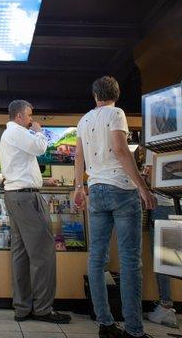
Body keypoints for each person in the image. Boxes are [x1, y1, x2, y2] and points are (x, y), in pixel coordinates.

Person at [74, 76, 156, 338]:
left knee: (97, 260)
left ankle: (106, 324)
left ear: (94, 95)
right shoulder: (117, 113)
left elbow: (78, 156)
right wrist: (143, 187)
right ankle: (134, 330)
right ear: (116, 95)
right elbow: (121, 150)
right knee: (130, 260)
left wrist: (78, 187)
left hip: (96, 190)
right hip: (121, 190)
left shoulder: (84, 119)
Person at [0, 99, 71, 324]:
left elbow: (24, 163)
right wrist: (40, 132)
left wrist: (41, 179)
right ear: (19, 116)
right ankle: (42, 308)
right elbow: (40, 148)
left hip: (16, 196)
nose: (32, 120)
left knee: (20, 253)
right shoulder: (17, 131)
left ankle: (22, 307)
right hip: (26, 198)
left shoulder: (11, 135)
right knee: (43, 253)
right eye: (30, 116)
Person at [142, 150, 178, 329]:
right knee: (172, 256)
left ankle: (165, 305)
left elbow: (151, 179)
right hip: (176, 203)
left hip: (161, 204)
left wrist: (143, 177)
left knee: (162, 256)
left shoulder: (155, 145)